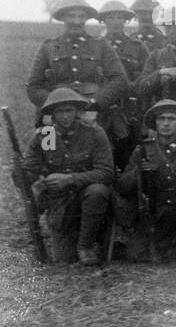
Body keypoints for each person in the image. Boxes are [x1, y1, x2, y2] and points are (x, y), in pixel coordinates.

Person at [19, 88, 114, 265]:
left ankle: (85, 246)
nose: (65, 116)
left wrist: (69, 179)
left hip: (89, 197)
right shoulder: (48, 135)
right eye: (59, 111)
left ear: (78, 111)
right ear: (52, 115)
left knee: (97, 191)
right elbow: (30, 172)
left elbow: (107, 173)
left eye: (69, 110)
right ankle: (76, 241)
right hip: (61, 204)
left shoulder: (93, 133)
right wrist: (22, 171)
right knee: (63, 259)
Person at [117, 99, 176, 265]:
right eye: (161, 119)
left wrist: (162, 168)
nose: (166, 123)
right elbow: (123, 187)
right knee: (137, 256)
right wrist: (138, 171)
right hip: (154, 211)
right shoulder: (143, 149)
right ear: (155, 123)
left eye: (171, 119)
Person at [26, 0, 128, 127]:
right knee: (48, 144)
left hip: (93, 112)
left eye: (81, 16)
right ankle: (46, 145)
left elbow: (120, 80)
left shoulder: (101, 45)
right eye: (71, 16)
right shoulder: (48, 47)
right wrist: (55, 103)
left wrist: (95, 102)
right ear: (63, 18)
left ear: (86, 19)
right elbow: (33, 86)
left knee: (101, 143)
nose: (77, 21)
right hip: (54, 113)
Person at [95, 0, 151, 170]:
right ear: (104, 20)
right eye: (111, 18)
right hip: (99, 108)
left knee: (130, 151)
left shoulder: (138, 47)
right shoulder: (94, 45)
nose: (115, 22)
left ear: (126, 21)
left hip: (128, 109)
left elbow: (144, 78)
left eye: (120, 17)